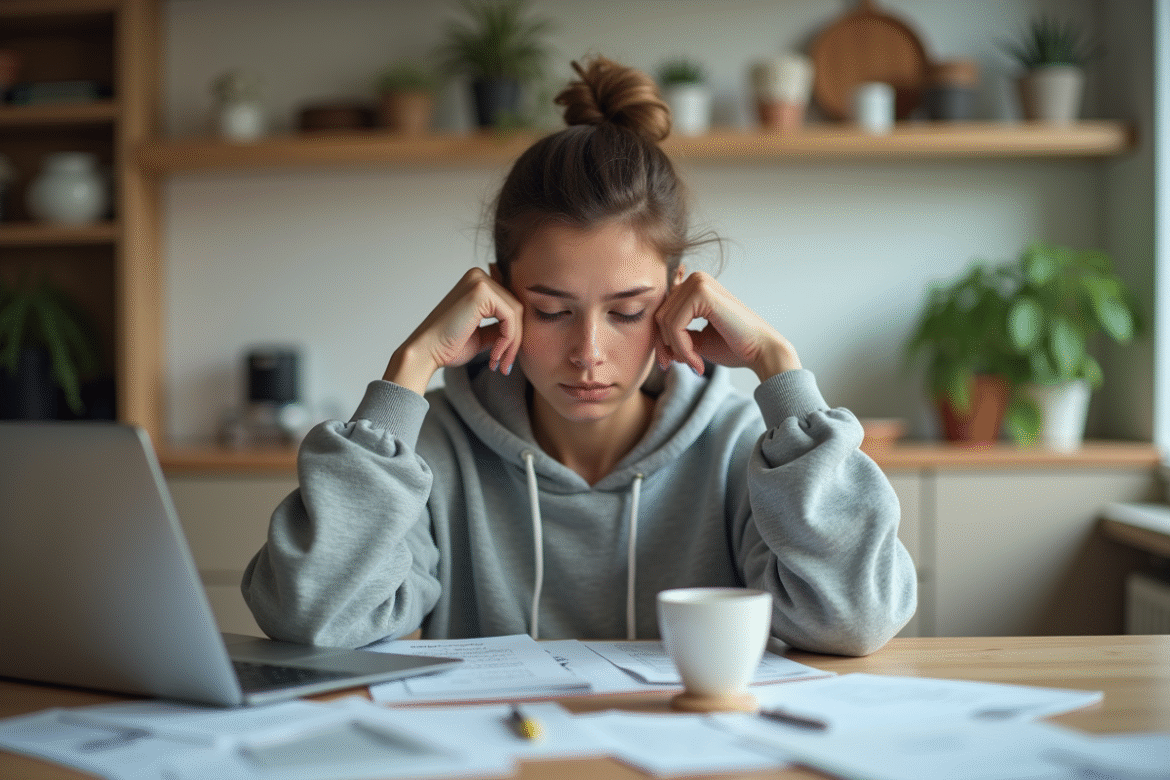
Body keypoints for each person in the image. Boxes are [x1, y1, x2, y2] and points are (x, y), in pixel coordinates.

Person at [242, 56, 916, 656]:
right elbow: (313, 618)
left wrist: (778, 365)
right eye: (552, 311)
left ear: (678, 301)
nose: (588, 354)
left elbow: (854, 620)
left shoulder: (741, 449)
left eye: (627, 312)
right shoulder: (437, 451)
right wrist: (410, 368)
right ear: (499, 296)